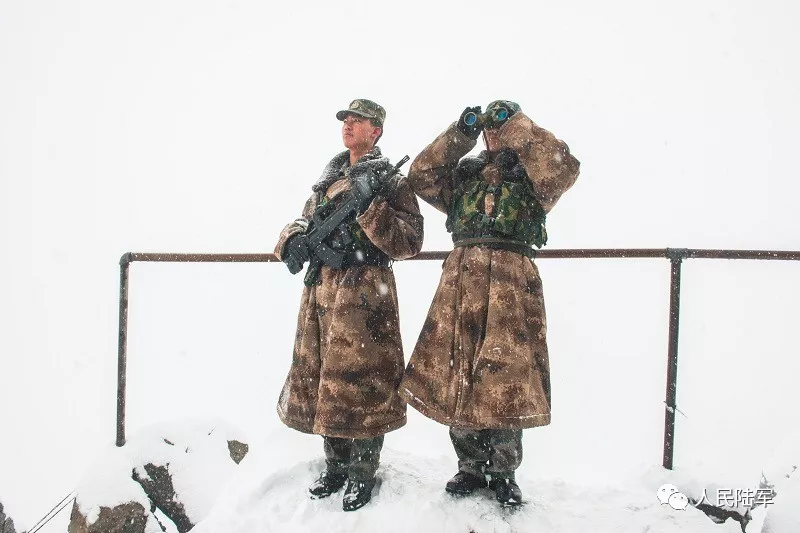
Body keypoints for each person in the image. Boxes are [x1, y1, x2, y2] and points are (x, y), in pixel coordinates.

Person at [399, 100, 579, 507]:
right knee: (457, 369)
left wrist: (517, 126)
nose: (493, 132)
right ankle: (469, 466)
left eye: (502, 125)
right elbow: (421, 176)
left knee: (506, 375)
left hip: (511, 283)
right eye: (489, 127)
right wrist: (459, 134)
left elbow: (564, 167)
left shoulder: (532, 177)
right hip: (462, 280)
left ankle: (503, 471)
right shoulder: (465, 177)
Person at [273, 99, 423, 511]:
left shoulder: (389, 181)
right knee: (325, 375)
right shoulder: (329, 177)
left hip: (364, 292)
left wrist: (370, 207)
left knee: (363, 379)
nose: (349, 125)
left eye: (359, 121)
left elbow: (410, 241)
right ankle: (336, 466)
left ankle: (362, 472)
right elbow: (305, 218)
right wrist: (292, 238)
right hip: (322, 291)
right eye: (346, 120)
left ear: (376, 131)